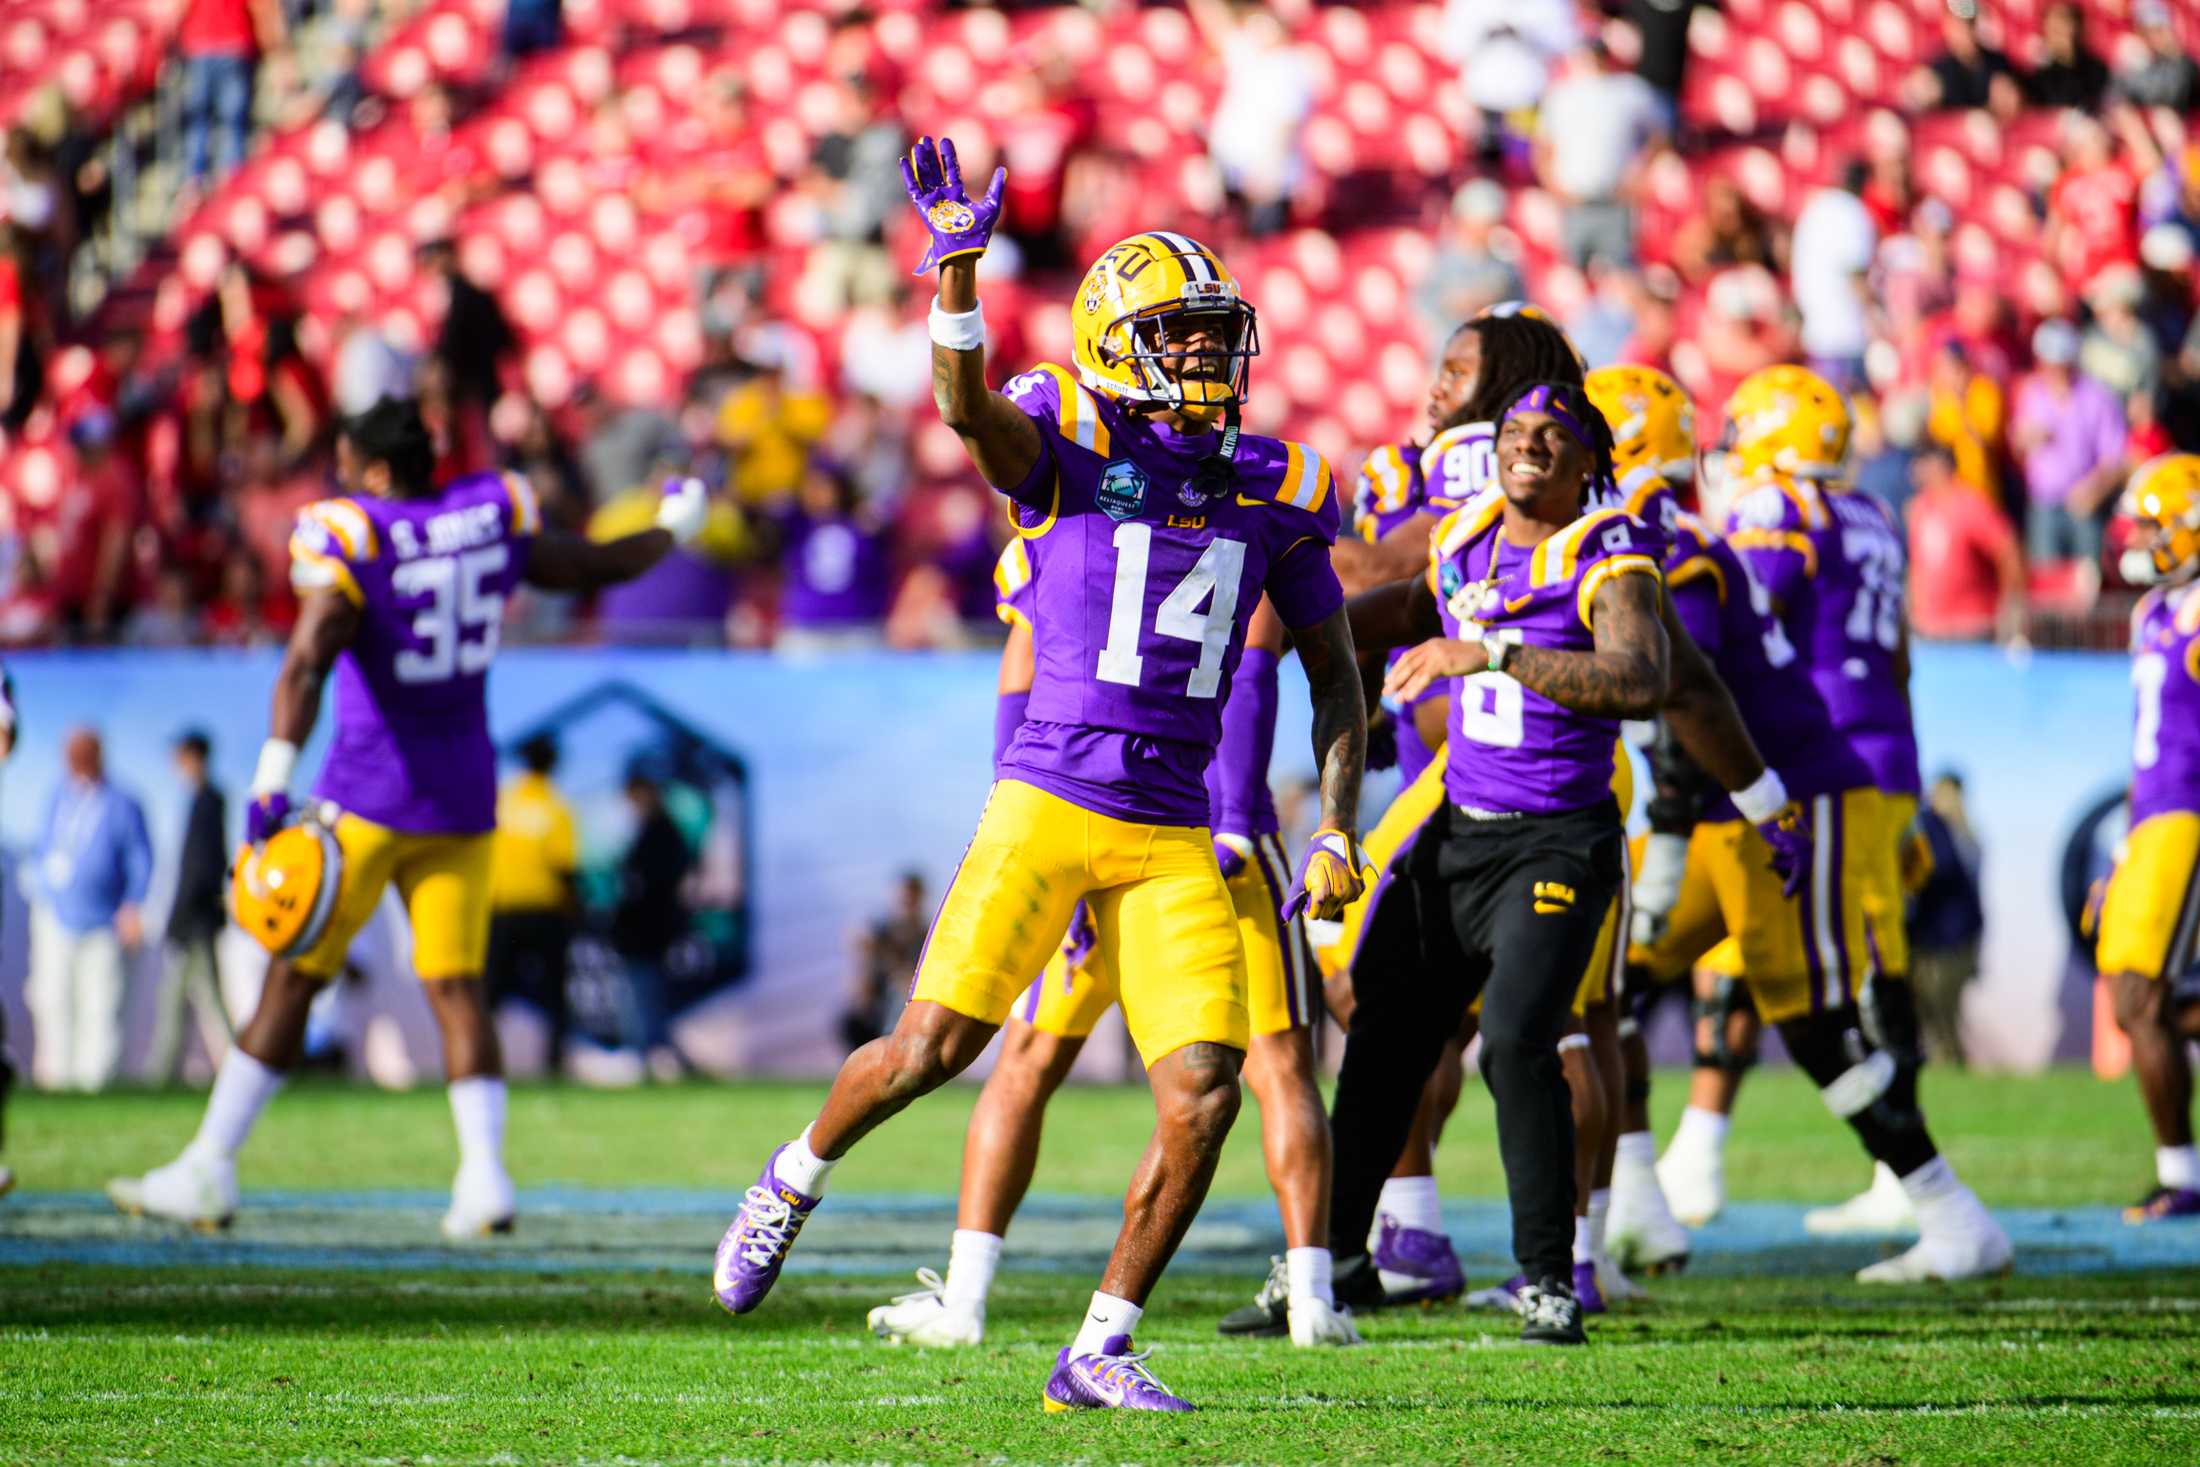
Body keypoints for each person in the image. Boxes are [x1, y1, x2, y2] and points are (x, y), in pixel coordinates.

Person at [712, 140, 1370, 1413]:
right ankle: (792, 1173)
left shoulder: (1277, 486)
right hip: (1049, 802)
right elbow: (966, 409)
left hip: (1174, 831)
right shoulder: (1065, 435)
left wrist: (1335, 821)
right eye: (1179, 339)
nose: (1208, 359)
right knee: (927, 1050)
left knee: (1203, 1094)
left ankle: (1102, 1346)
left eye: (1212, 336)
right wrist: (957, 278)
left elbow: (1333, 676)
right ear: (1120, 346)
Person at [106, 397, 709, 1234]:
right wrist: (676, 527)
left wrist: (269, 785)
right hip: (463, 797)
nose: (342, 480)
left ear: (379, 472)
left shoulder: (357, 536)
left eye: (350, 467)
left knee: (293, 977)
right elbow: (592, 567)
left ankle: (210, 1167)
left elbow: (307, 663)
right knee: (459, 989)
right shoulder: (489, 514)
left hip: (369, 796)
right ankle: (485, 1178)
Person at [1333, 376, 1796, 1344]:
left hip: (1557, 836)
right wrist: (1275, 630)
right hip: (1458, 829)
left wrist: (1491, 655)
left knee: (1519, 1041)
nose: (1529, 444)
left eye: (1554, 434)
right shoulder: (1462, 534)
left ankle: (1549, 1277)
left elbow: (1644, 681)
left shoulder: (1608, 551)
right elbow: (1407, 609)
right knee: (1381, 1029)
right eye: (1515, 429)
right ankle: (1326, 1263)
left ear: (1593, 461)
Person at [869, 545, 1353, 1349]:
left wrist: (1034, 838)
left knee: (1026, 1060)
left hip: (1088, 830)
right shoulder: (1247, 509)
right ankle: (1311, 1296)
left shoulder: (1070, 522)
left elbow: (1018, 685)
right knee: (1273, 1066)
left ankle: (965, 1299)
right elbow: (1260, 664)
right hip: (1197, 833)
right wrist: (1234, 815)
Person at [1667, 366, 2011, 1276]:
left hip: (1811, 762)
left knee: (1841, 966)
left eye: (1745, 430)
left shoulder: (1780, 510)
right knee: (1795, 954)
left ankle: (1909, 1178)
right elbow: (1895, 654)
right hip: (1878, 750)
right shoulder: (1872, 514)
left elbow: (1741, 624)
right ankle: (1697, 1152)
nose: (1731, 448)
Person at [2097, 453, 2200, 1222]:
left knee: (2140, 989)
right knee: (2143, 998)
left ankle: (2181, 1175)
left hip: (2191, 815)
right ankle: (2180, 1171)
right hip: (2154, 818)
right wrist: (2125, 847)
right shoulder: (2154, 611)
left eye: (2157, 522)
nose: (2144, 537)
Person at [25, 728, 151, 1092]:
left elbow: (139, 860)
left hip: (103, 921)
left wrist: (133, 905)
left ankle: (98, 1084)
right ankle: (56, 1082)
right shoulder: (57, 799)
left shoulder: (122, 803)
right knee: (54, 1003)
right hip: (56, 918)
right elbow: (43, 850)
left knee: (101, 1006)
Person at [487, 733, 580, 1076]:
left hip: (502, 910)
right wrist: (576, 910)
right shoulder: (556, 805)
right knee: (554, 995)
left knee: (490, 996)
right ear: (553, 763)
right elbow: (564, 867)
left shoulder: (503, 800)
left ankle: (484, 1066)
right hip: (545, 912)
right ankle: (553, 1066)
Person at [2012, 319, 2127, 587]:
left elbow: (2116, 457)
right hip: (2044, 505)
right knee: (2047, 584)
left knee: (2087, 586)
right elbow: (2018, 445)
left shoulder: (2097, 397)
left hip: (2085, 507)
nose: (2052, 369)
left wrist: (2094, 489)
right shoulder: (2033, 393)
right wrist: (2027, 439)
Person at [147, 729, 233, 1084]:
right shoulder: (203, 800)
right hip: (197, 920)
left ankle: (166, 1074)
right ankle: (165, 1072)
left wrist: (179, 919)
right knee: (186, 1000)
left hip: (195, 922)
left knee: (196, 1001)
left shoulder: (209, 801)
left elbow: (201, 869)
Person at [1535, 39, 1666, 269]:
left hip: (1615, 199)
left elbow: (1659, 135)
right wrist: (1554, 188)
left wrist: (1639, 174)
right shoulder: (1561, 95)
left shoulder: (1629, 90)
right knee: (1572, 272)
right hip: (1575, 201)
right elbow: (1543, 148)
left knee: (1620, 272)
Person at [611, 761, 692, 1077]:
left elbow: (655, 885)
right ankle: (657, 1057)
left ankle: (655, 1058)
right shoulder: (650, 830)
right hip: (641, 931)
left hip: (650, 931)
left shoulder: (663, 833)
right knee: (644, 998)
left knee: (646, 998)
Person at [1906, 442, 2027, 645]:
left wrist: (2011, 603)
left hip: (1971, 628)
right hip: (1929, 628)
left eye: (1923, 461)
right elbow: (1917, 564)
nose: (1916, 469)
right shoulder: (1919, 507)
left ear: (1941, 465)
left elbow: (2007, 547)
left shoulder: (1970, 503)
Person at [1909, 771, 1984, 1066]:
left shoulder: (1946, 830)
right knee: (1936, 1019)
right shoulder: (1945, 829)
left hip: (1947, 941)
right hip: (1942, 938)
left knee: (1942, 1018)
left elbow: (1938, 872)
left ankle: (1950, 1070)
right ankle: (1948, 1069)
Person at [177, 0, 285, 191]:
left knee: (217, 120)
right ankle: (223, 181)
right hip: (227, 46)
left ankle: (202, 180)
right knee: (224, 120)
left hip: (210, 46)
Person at [1790, 162, 1878, 394]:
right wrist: (1878, 320)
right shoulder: (1851, 212)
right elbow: (1856, 277)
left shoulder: (1815, 208)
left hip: (1816, 332)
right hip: (1846, 333)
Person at [844, 871, 926, 1054]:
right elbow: (857, 941)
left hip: (907, 1005)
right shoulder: (881, 930)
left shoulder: (926, 934)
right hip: (878, 1003)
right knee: (853, 1018)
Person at [1904, 1, 2021, 118]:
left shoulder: (1996, 62)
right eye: (1956, 24)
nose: (1961, 30)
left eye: (1967, 24)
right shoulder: (1937, 65)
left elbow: (2017, 100)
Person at [2113, 1, 2199, 113]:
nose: (2155, 36)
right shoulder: (2130, 61)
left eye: (2159, 29)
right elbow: (2117, 100)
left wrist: (2174, 55)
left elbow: (2177, 95)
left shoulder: (2184, 62)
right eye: (2148, 31)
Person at [2026, 2, 2108, 110]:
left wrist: (2066, 58)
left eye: (2065, 21)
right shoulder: (2036, 75)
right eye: (2054, 28)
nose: (2061, 29)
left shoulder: (2095, 67)